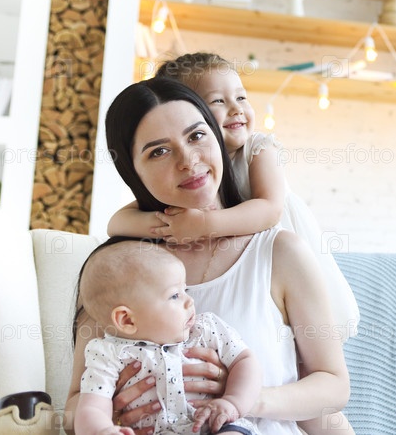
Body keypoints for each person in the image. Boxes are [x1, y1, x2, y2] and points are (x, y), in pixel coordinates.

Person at [65, 77, 352, 435]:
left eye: (197, 136)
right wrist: (112, 415)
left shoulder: (279, 252)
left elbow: (333, 385)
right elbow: (72, 406)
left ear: (216, 137)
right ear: (131, 171)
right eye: (159, 151)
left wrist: (241, 398)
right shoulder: (118, 268)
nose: (188, 160)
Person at [108, 52, 359, 343]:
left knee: (312, 322)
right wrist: (170, 226)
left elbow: (269, 209)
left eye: (241, 97)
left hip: (277, 249)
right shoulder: (186, 177)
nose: (236, 109)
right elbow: (117, 223)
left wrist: (201, 225)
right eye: (218, 101)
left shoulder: (258, 149)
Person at [75, 239, 262, 435]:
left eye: (185, 290)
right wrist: (104, 430)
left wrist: (232, 401)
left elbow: (245, 360)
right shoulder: (109, 355)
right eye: (174, 296)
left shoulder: (205, 329)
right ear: (127, 320)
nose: (190, 301)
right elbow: (92, 407)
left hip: (214, 425)